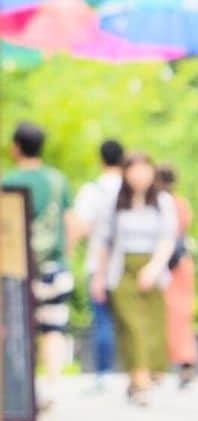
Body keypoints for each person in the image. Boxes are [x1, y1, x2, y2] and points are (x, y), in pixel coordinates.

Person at [90, 151, 177, 407]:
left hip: (152, 267)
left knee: (151, 327)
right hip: (121, 269)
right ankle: (140, 382)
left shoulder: (162, 202)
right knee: (131, 327)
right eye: (134, 170)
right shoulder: (114, 202)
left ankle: (142, 376)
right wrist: (98, 276)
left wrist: (153, 267)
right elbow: (103, 241)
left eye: (144, 170)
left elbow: (167, 238)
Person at [3, 122, 74, 408]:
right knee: (53, 328)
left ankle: (25, 388)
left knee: (20, 328)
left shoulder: (8, 182)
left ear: (15, 147)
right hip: (54, 266)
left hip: (20, 269)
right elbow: (70, 223)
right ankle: (53, 385)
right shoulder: (58, 181)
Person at [68, 139, 124, 391]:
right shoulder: (130, 188)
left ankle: (104, 373)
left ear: (101, 160)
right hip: (128, 264)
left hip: (98, 263)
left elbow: (80, 226)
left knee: (102, 320)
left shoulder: (93, 190)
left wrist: (67, 251)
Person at [155, 164, 197, 389]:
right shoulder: (181, 203)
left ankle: (158, 367)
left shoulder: (161, 204)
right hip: (181, 264)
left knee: (162, 316)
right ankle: (186, 364)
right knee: (181, 316)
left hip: (165, 264)